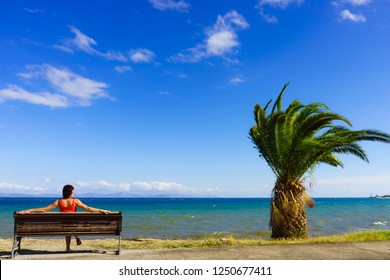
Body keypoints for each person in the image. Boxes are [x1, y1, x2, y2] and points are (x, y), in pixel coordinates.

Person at [18, 184, 111, 252]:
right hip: (74, 223)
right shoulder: (75, 201)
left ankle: (68, 247)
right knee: (75, 224)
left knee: (67, 227)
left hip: (64, 224)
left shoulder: (59, 201)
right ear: (70, 192)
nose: (73, 193)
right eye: (73, 191)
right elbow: (88, 208)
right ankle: (77, 236)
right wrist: (101, 210)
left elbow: (44, 209)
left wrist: (29, 210)